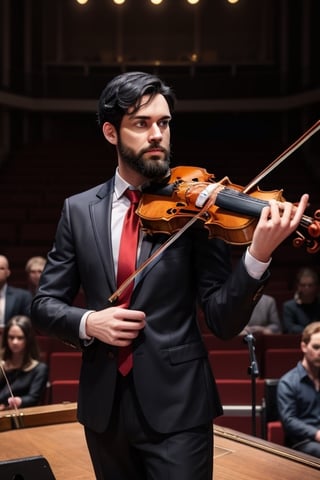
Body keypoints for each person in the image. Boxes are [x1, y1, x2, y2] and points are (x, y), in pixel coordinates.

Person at [31, 71, 309, 480]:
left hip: (179, 408)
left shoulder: (200, 206)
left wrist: (258, 255)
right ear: (112, 132)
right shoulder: (78, 210)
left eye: (163, 123)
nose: (157, 134)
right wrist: (90, 322)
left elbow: (222, 320)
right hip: (104, 410)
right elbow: (44, 306)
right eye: (142, 124)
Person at [277, 321, 320, 457]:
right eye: (316, 347)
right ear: (304, 346)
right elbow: (289, 420)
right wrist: (316, 433)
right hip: (302, 442)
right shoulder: (288, 382)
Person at [0, 315, 48, 410]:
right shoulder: (1, 364)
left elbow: (34, 398)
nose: (15, 342)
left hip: (24, 415)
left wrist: (18, 401)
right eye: (11, 337)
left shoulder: (39, 369)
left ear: (28, 340)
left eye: (20, 338)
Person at [282, 267, 320, 333]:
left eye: (310, 285)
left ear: (316, 286)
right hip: (295, 340)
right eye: (303, 285)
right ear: (298, 286)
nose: (306, 288)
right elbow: (289, 327)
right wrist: (311, 331)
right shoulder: (288, 306)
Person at [0, 255, 32, 330]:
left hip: (13, 340)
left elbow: (27, 326)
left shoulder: (23, 296)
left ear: (8, 272)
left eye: (1, 268)